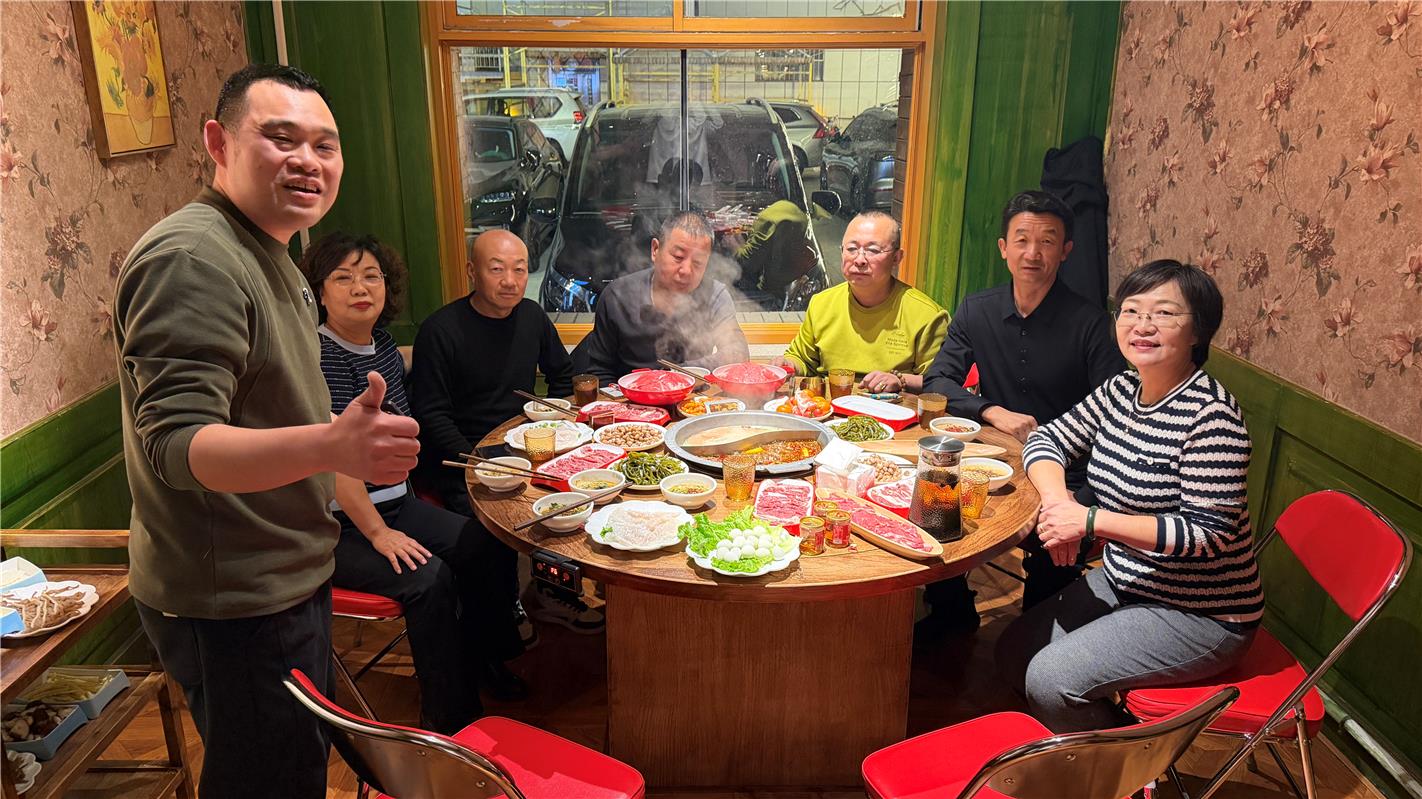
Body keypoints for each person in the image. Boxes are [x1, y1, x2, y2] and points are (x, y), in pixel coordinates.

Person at [113, 64, 420, 798]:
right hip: (236, 595)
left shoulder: (267, 249)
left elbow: (261, 407)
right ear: (218, 143)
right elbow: (179, 447)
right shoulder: (193, 258)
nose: (308, 160)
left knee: (292, 769)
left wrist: (333, 439)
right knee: (269, 782)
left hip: (281, 573)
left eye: (324, 145)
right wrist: (331, 445)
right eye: (281, 139)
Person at [996, 259, 1261, 733]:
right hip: (1128, 580)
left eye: (1164, 313)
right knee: (1014, 654)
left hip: (1201, 612)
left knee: (1050, 680)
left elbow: (1207, 534)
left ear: (1198, 331)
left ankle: (1134, 762)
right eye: (1131, 310)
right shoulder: (1122, 389)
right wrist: (1061, 505)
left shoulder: (1211, 417)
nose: (1142, 324)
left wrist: (1090, 521)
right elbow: (1046, 440)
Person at [300, 232, 527, 724]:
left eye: (371, 276)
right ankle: (449, 720)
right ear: (319, 292)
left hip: (397, 503)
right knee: (430, 580)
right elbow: (334, 461)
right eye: (342, 278)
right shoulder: (315, 357)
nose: (360, 288)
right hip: (339, 527)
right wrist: (379, 533)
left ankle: (484, 659)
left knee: (485, 541)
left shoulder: (380, 344)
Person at [918, 190, 1126, 638]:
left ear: (1065, 250)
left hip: (1070, 473)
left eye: (1047, 241)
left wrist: (1079, 498)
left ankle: (1038, 637)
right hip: (996, 461)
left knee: (1054, 543)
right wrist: (991, 410)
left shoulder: (1091, 324)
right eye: (1022, 240)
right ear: (1003, 248)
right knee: (932, 493)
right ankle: (952, 612)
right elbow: (938, 381)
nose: (1033, 253)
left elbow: (1117, 419)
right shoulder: (978, 309)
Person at [408, 230, 601, 634]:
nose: (510, 281)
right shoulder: (440, 330)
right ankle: (500, 614)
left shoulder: (531, 316)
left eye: (519, 269)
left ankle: (551, 592)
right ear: (471, 271)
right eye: (496, 269)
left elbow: (561, 375)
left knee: (575, 499)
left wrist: (559, 429)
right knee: (490, 535)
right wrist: (478, 462)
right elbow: (431, 414)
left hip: (524, 445)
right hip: (463, 457)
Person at [771, 211, 948, 394]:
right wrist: (788, 364)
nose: (860, 260)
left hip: (893, 406)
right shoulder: (822, 303)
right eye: (852, 249)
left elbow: (942, 382)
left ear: (896, 258)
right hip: (830, 404)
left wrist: (901, 380)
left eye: (873, 250)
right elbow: (801, 358)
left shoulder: (927, 316)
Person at [577, 211, 750, 382]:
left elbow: (737, 353)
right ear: (655, 250)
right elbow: (600, 372)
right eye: (678, 257)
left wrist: (676, 376)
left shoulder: (714, 294)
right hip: (631, 396)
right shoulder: (618, 296)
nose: (686, 270)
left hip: (693, 396)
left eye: (698, 262)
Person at [733, 159, 814, 305]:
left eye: (770, 179)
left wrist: (732, 244)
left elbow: (748, 264)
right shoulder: (802, 213)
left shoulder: (770, 217)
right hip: (791, 291)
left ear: (773, 183)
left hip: (769, 296)